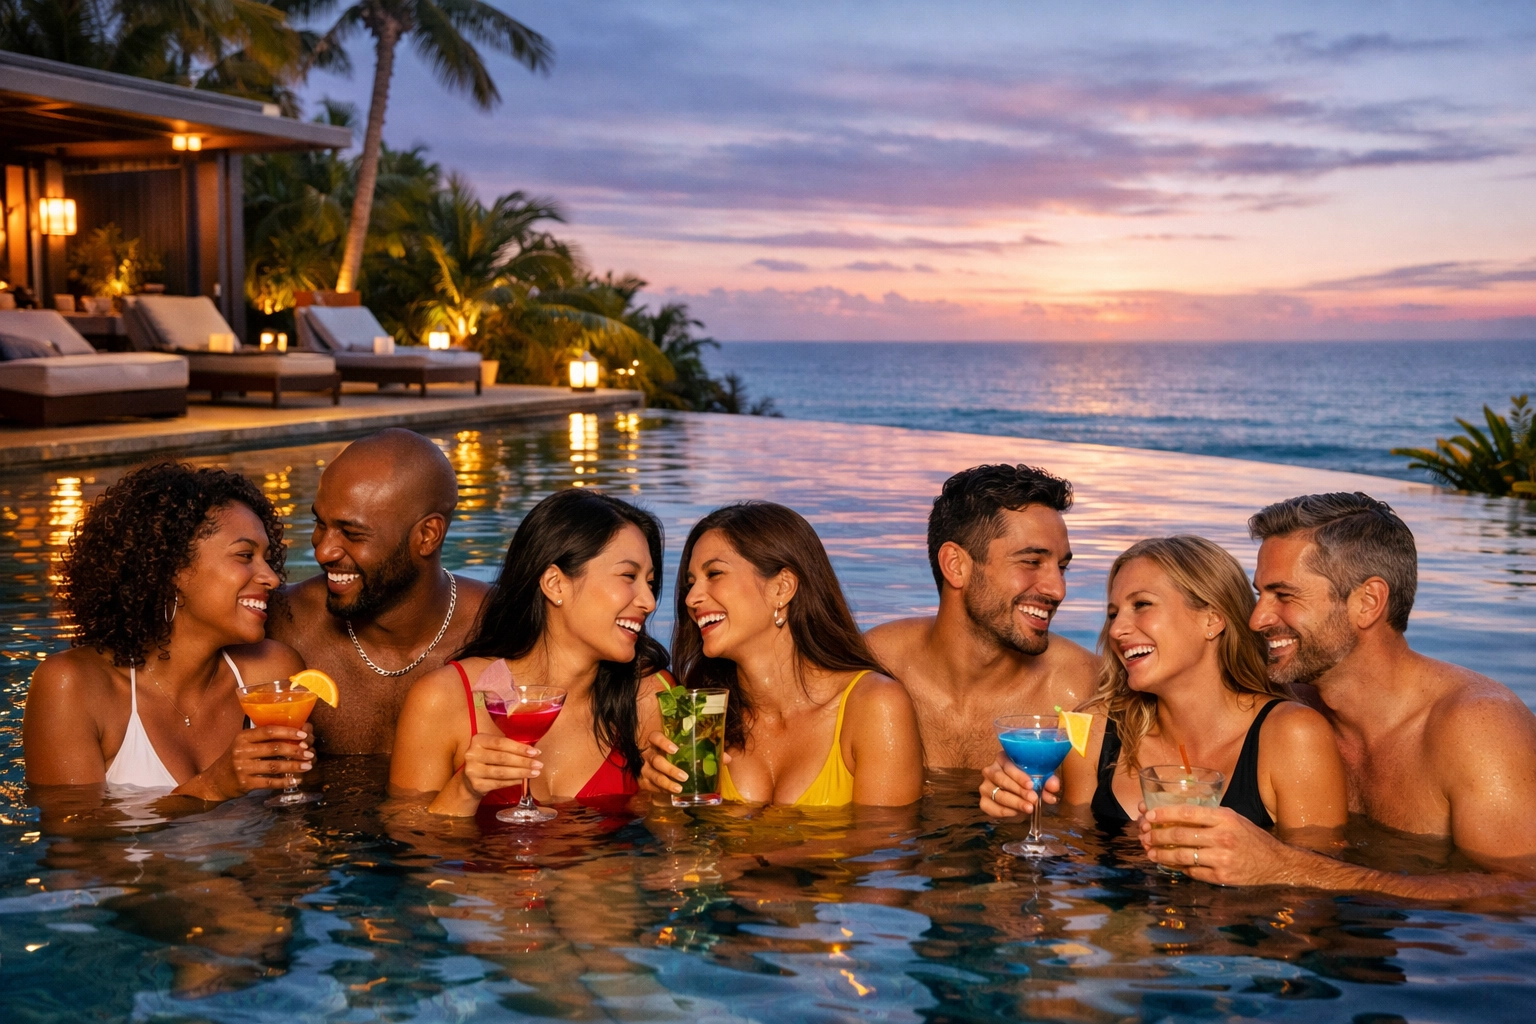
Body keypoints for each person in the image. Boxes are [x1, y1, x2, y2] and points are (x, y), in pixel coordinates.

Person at [1139, 493, 1536, 895]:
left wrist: (1289, 867)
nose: (1257, 619)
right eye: (1260, 595)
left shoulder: (1477, 728)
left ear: (1368, 602)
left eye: (1284, 596)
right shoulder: (1281, 707)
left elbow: (1520, 893)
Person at [980, 535, 1348, 838]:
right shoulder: (1093, 732)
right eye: (1113, 614)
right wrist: (1017, 813)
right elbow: (1076, 866)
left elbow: (1316, 881)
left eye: (1141, 605)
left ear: (1212, 619)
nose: (1116, 630)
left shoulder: (1292, 735)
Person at [23, 463, 311, 803]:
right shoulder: (73, 688)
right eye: (245, 555)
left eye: (267, 559)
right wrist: (213, 787)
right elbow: (75, 830)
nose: (272, 578)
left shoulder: (272, 674)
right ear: (172, 567)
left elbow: (296, 816)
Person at [390, 488, 670, 814]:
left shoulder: (650, 698)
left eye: (650, 583)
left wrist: (659, 803)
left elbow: (677, 834)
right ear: (555, 584)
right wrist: (465, 789)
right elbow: (408, 837)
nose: (648, 601)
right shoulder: (443, 699)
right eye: (629, 576)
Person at [642, 501, 923, 806]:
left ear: (782, 588)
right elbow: (679, 834)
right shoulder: (700, 717)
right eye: (691, 584)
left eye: (715, 573)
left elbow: (884, 837)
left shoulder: (874, 707)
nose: (692, 598)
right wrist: (660, 800)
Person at [267, 428, 490, 755]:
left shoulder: (500, 629)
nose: (323, 552)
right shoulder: (284, 624)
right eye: (320, 524)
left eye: (352, 533)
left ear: (427, 535)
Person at [865, 464, 1097, 768]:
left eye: (1062, 568)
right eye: (1031, 562)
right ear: (956, 565)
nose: (1058, 589)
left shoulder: (1083, 691)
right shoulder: (872, 668)